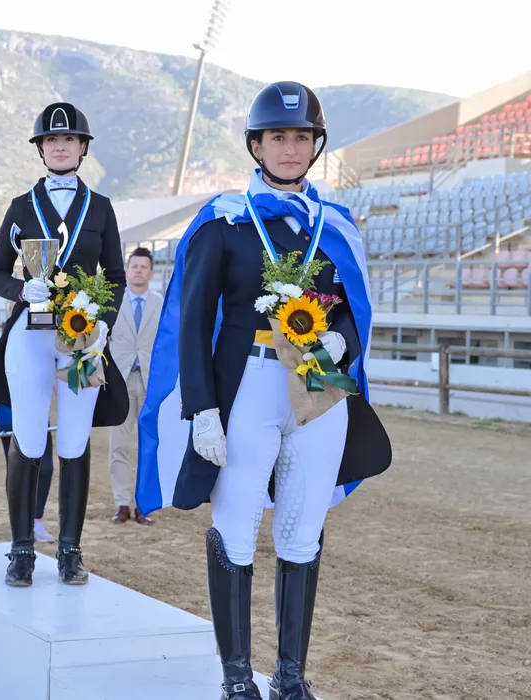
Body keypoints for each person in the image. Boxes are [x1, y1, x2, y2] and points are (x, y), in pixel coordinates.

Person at [134, 82, 391, 700]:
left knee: (303, 530)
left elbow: (352, 305)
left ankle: (291, 680)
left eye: (302, 137)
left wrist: (342, 343)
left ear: (315, 145)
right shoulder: (223, 221)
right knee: (237, 525)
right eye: (278, 137)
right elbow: (192, 319)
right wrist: (201, 408)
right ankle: (236, 679)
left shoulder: (335, 223)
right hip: (247, 382)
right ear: (256, 145)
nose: (290, 148)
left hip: (318, 384)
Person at [0, 101, 128, 587]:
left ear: (83, 147)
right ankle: (21, 549)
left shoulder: (101, 207)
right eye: (51, 139)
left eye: (69, 139)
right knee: (27, 437)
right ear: (41, 148)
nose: (60, 146)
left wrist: (104, 323)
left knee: (73, 440)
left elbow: (117, 277)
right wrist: (20, 290)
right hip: (31, 335)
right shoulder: (21, 206)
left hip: (81, 338)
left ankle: (70, 550)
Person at [106, 246, 162, 525]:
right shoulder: (112, 304)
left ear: (151, 273)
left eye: (143, 267)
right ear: (127, 271)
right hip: (120, 380)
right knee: (118, 445)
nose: (138, 271)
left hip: (151, 382)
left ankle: (144, 505)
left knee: (149, 445)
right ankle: (122, 504)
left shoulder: (161, 305)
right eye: (134, 266)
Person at [0, 397, 54, 543]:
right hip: (9, 417)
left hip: (38, 417)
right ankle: (19, 524)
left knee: (45, 469)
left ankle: (36, 520)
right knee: (17, 471)